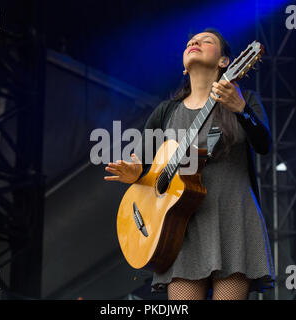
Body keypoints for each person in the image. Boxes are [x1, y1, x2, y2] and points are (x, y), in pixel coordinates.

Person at [104, 28, 275, 300]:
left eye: (206, 41)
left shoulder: (244, 100)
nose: (194, 42)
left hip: (233, 220)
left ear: (225, 62)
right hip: (181, 228)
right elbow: (147, 169)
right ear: (184, 67)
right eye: (189, 42)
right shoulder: (166, 112)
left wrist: (241, 110)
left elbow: (264, 145)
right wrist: (137, 174)